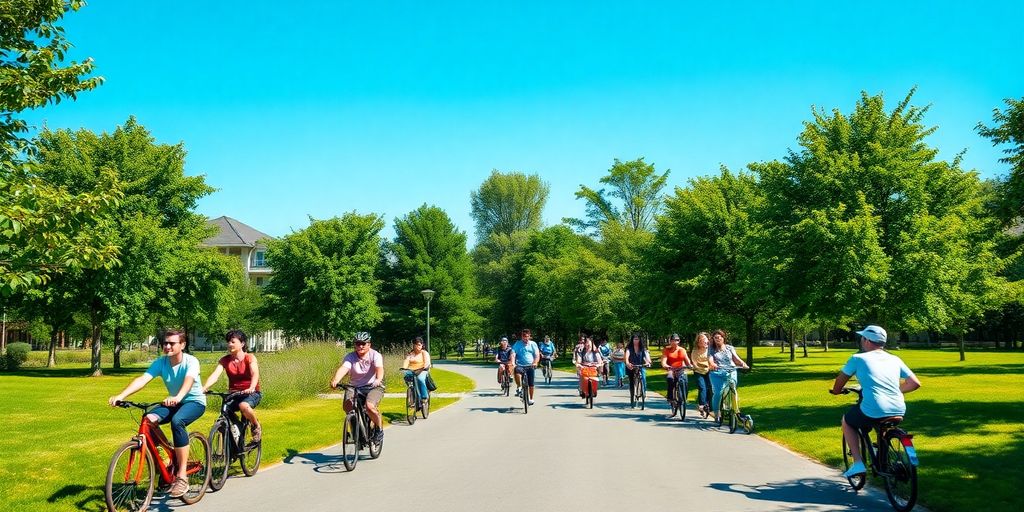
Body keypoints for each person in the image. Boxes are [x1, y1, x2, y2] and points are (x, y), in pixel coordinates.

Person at [109, 329, 206, 498]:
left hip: (194, 402)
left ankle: (182, 476)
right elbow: (142, 379)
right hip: (174, 401)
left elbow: (188, 381)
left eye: (172, 343)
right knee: (148, 420)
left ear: (182, 345)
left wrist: (178, 397)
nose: (167, 346)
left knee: (178, 421)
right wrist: (121, 396)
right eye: (165, 343)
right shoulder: (161, 363)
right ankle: (167, 455)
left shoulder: (191, 361)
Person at [830, 325, 921, 478]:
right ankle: (881, 455)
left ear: (866, 340)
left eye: (862, 338)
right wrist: (894, 391)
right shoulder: (895, 359)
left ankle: (858, 463)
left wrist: (837, 391)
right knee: (881, 425)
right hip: (898, 407)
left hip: (874, 407)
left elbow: (841, 380)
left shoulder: (858, 358)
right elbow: (914, 383)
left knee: (847, 421)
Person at [201, 329, 263, 442]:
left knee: (244, 406)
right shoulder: (225, 360)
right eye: (228, 342)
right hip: (234, 394)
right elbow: (215, 375)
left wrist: (252, 387)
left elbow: (255, 374)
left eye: (233, 342)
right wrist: (204, 387)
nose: (230, 344)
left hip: (251, 393)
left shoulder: (250, 357)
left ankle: (256, 426)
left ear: (242, 344)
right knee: (224, 414)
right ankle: (234, 436)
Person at [330, 331, 385, 444]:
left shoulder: (375, 355)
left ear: (369, 344)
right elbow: (344, 368)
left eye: (363, 344)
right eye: (357, 343)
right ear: (354, 345)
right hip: (354, 386)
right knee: (348, 407)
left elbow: (379, 369)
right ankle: (356, 433)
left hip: (373, 386)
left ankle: (379, 430)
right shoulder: (350, 356)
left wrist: (378, 379)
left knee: (369, 407)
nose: (360, 346)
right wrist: (336, 380)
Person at [708, 329, 749, 423]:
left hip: (731, 370)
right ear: (713, 339)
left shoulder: (729, 348)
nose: (717, 339)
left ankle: (736, 411)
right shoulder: (711, 349)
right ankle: (717, 414)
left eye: (719, 337)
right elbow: (710, 359)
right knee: (718, 392)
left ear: (723, 338)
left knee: (733, 389)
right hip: (717, 373)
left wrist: (743, 364)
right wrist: (712, 364)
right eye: (715, 338)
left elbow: (736, 358)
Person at [661, 333, 693, 418]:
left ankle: (683, 399)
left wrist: (690, 365)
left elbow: (687, 360)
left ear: (679, 341)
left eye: (677, 340)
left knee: (684, 380)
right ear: (670, 341)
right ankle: (670, 398)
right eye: (673, 340)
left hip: (681, 369)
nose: (675, 342)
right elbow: (664, 360)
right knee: (670, 378)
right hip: (671, 369)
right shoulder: (666, 350)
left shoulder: (682, 350)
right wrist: (665, 365)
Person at [511, 328, 540, 405]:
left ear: (530, 336)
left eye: (527, 336)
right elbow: (513, 354)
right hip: (520, 364)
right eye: (524, 336)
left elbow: (537, 355)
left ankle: (531, 398)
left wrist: (535, 362)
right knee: (516, 371)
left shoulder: (533, 344)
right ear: (522, 336)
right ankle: (519, 387)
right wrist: (513, 363)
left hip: (530, 365)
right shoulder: (517, 344)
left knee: (531, 384)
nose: (526, 338)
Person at [401, 336, 432, 405]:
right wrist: (404, 368)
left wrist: (424, 367)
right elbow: (406, 361)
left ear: (422, 345)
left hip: (422, 370)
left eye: (419, 345)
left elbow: (427, 362)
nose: (417, 346)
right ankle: (413, 396)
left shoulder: (424, 353)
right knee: (407, 378)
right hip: (412, 370)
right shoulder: (411, 354)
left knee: (420, 379)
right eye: (415, 344)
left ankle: (424, 397)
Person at [689, 332, 713, 416]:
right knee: (702, 387)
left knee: (710, 387)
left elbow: (713, 360)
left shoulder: (710, 350)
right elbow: (694, 361)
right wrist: (696, 367)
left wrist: (711, 366)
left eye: (706, 341)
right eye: (703, 341)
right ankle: (702, 405)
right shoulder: (695, 350)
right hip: (698, 371)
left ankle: (711, 406)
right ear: (699, 342)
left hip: (708, 370)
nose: (705, 342)